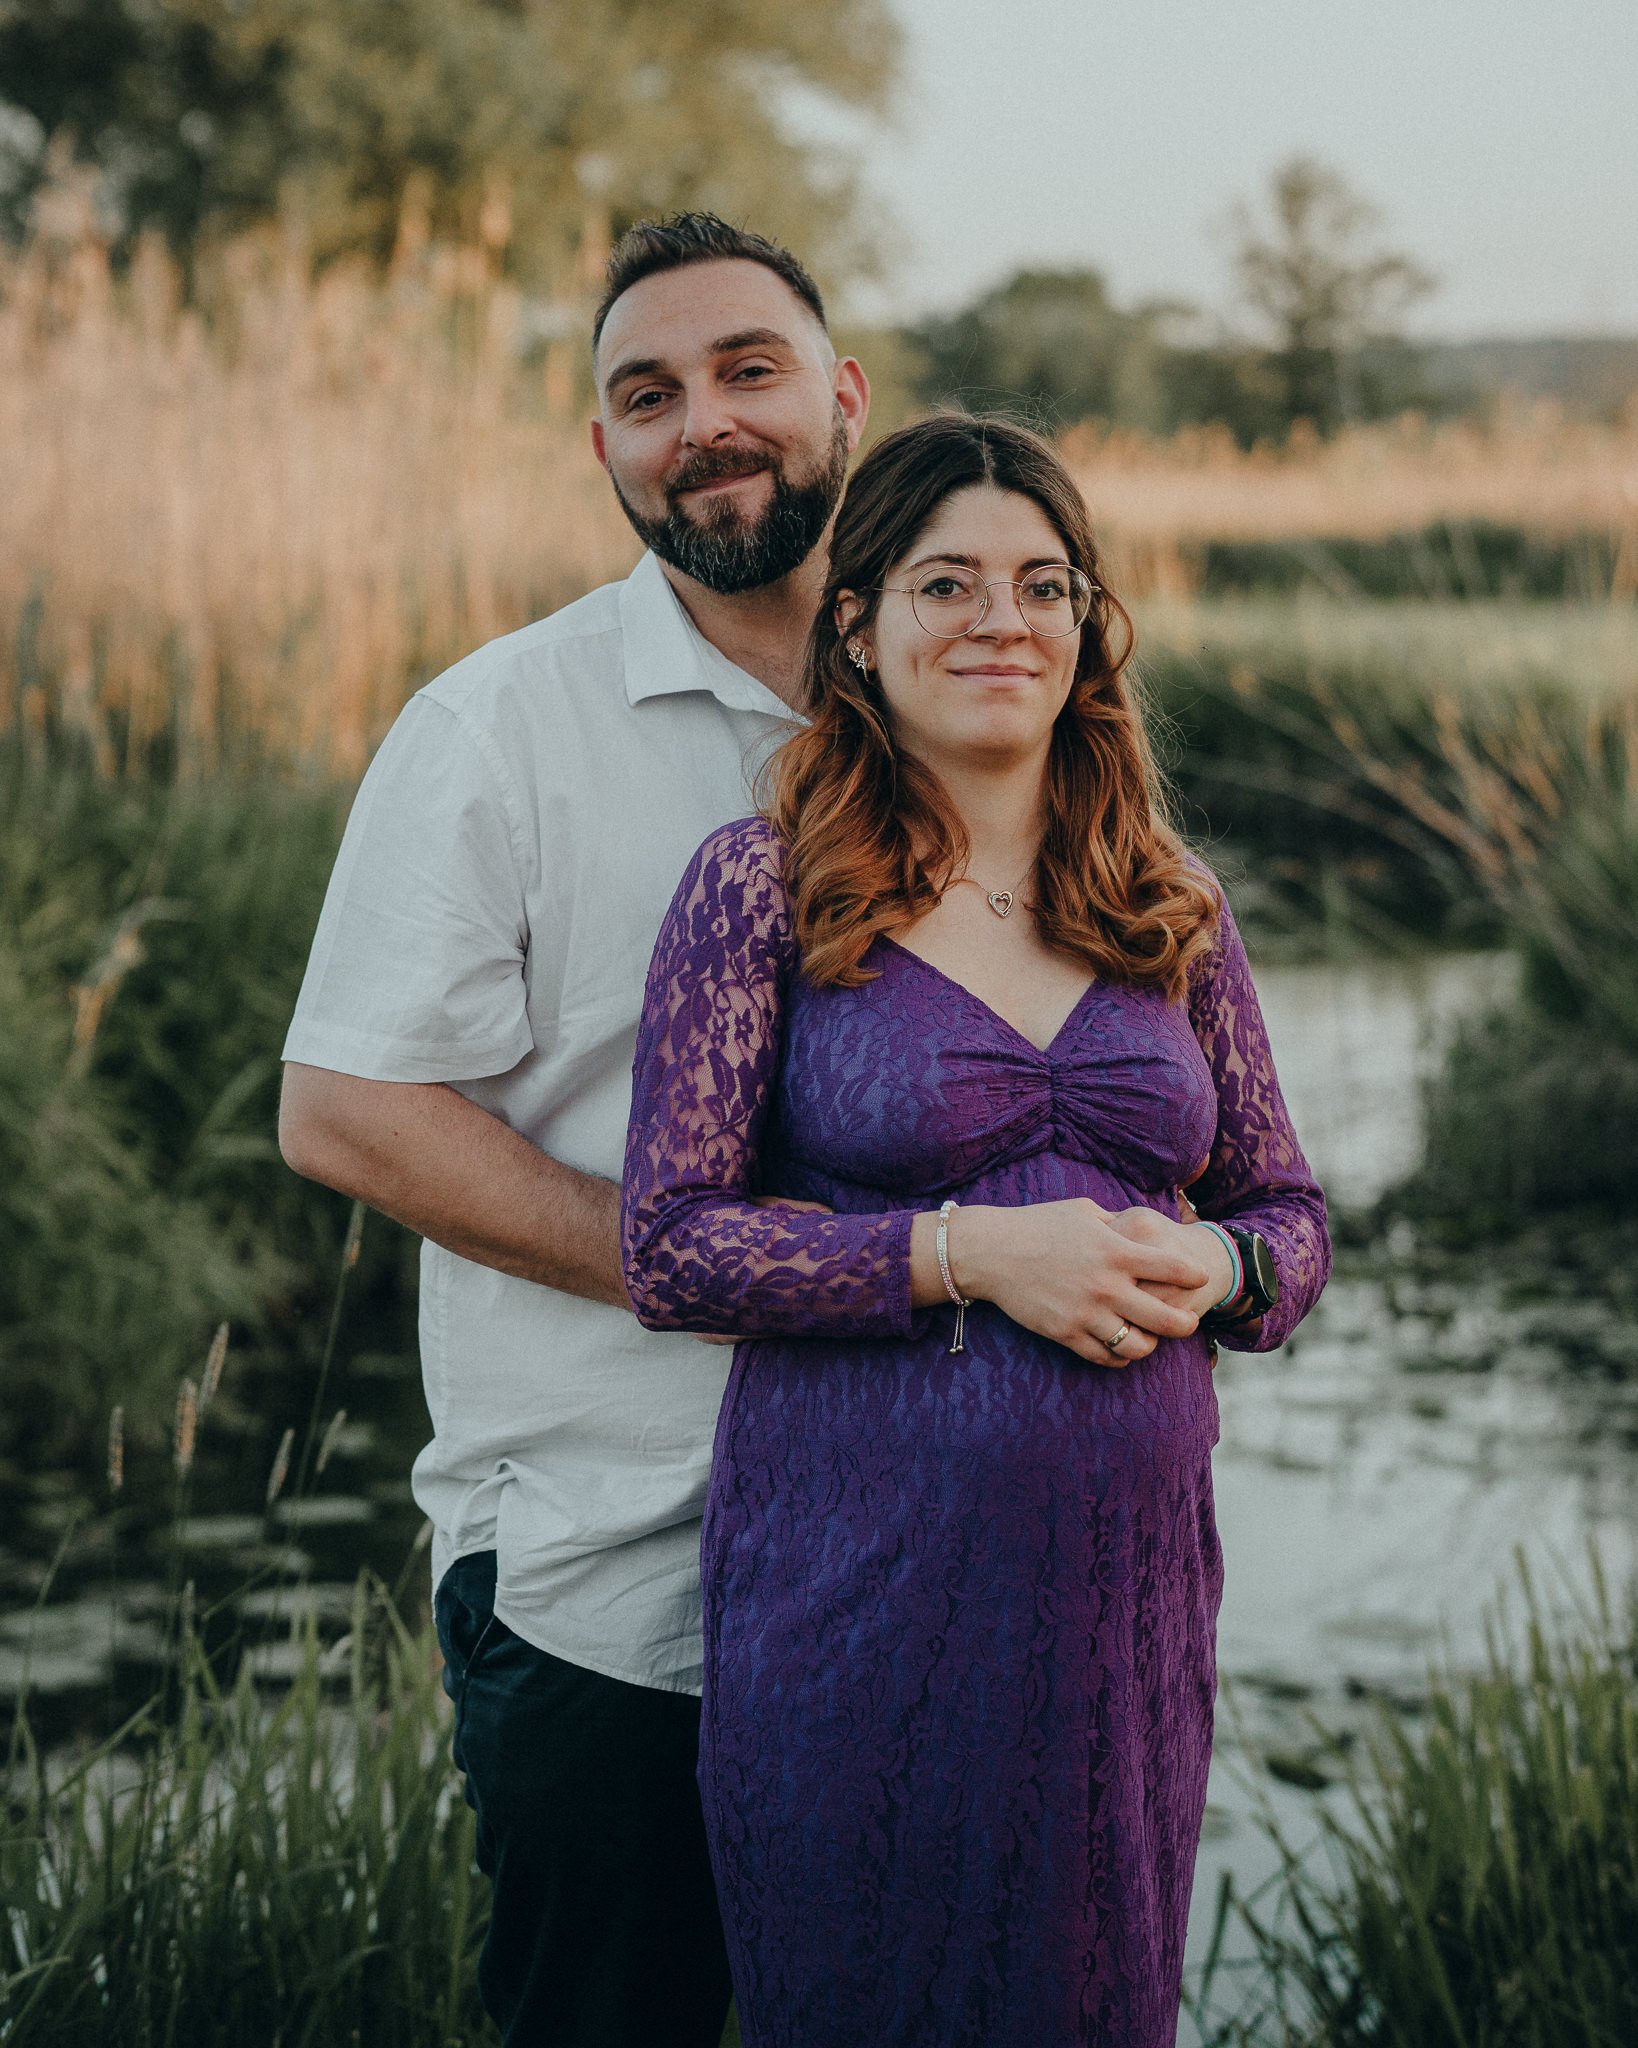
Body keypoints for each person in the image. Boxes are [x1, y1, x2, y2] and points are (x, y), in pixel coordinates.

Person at [621, 413, 1332, 2048]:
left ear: (1085, 626)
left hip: (1120, 1613)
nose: (998, 620)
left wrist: (1222, 1268)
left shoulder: (1169, 904)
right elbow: (670, 1246)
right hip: (856, 1592)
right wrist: (964, 1253)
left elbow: (1285, 1221)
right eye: (946, 583)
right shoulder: (762, 890)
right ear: (857, 624)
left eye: (1040, 584)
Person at [277, 213, 870, 2048]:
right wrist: (726, 1270)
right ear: (602, 451)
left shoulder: (971, 687)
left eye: (745, 370)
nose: (703, 421)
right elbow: (349, 1114)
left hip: (933, 1557)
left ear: (843, 396)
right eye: (646, 394)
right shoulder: (497, 729)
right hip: (620, 1584)